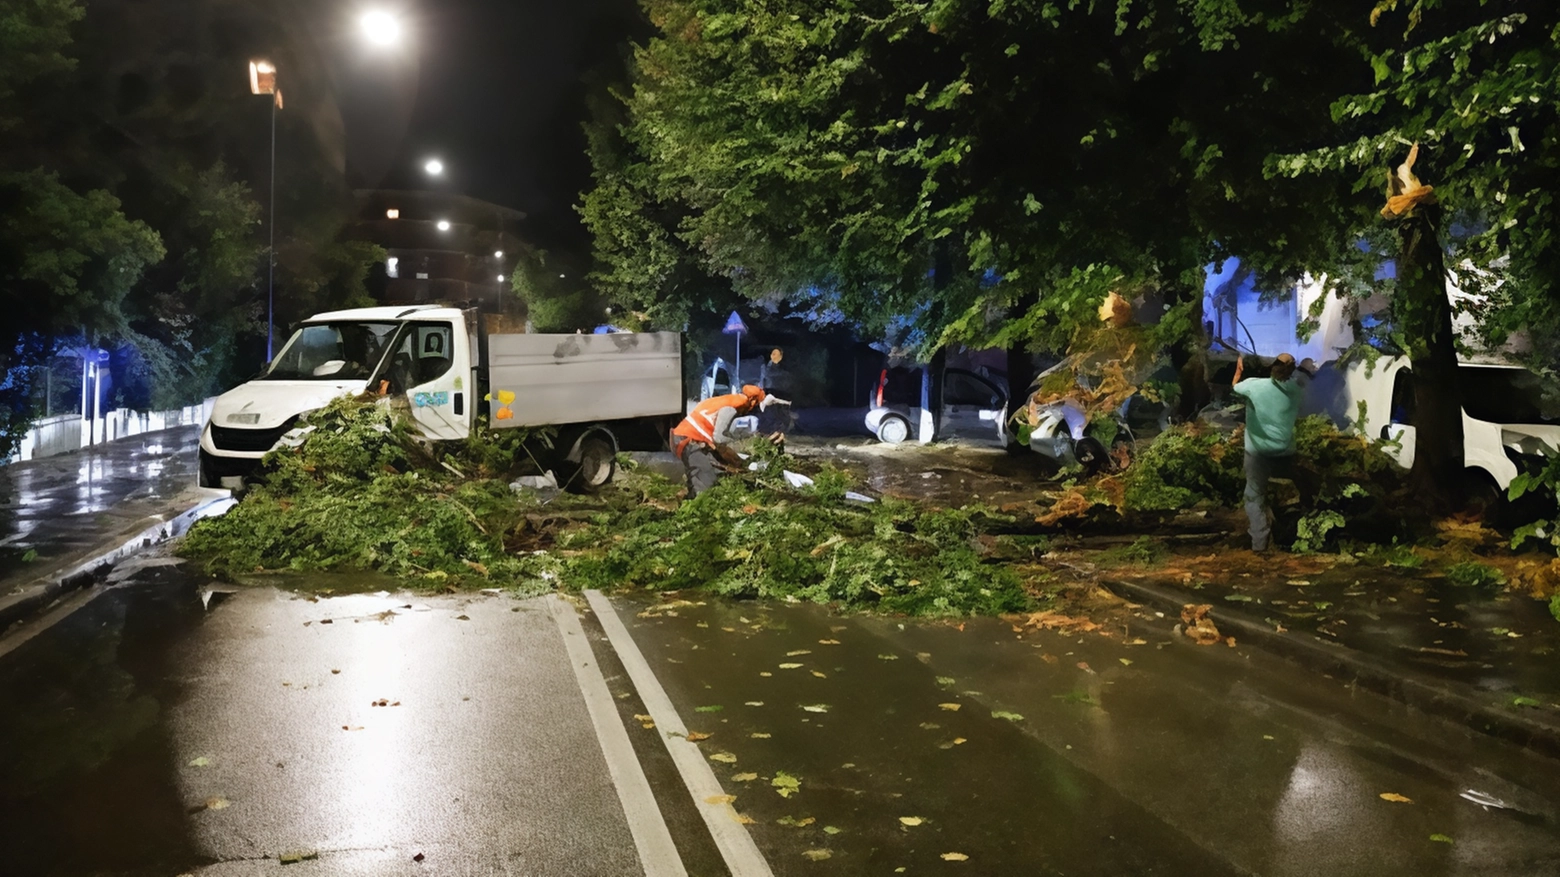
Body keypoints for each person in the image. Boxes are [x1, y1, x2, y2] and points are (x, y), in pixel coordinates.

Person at [1231, 353, 1315, 551]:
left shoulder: (1254, 385)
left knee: (1253, 495)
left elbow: (1235, 385)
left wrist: (1239, 369)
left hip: (1257, 453)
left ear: (1272, 367)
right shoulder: (1297, 390)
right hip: (1285, 452)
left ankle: (1259, 543)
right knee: (1294, 494)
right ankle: (1295, 537)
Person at [672, 384, 789, 497]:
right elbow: (719, 438)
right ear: (752, 402)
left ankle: (690, 497)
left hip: (695, 440)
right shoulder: (730, 408)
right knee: (705, 483)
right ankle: (695, 505)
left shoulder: (726, 400)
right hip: (689, 440)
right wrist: (738, 450)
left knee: (718, 472)